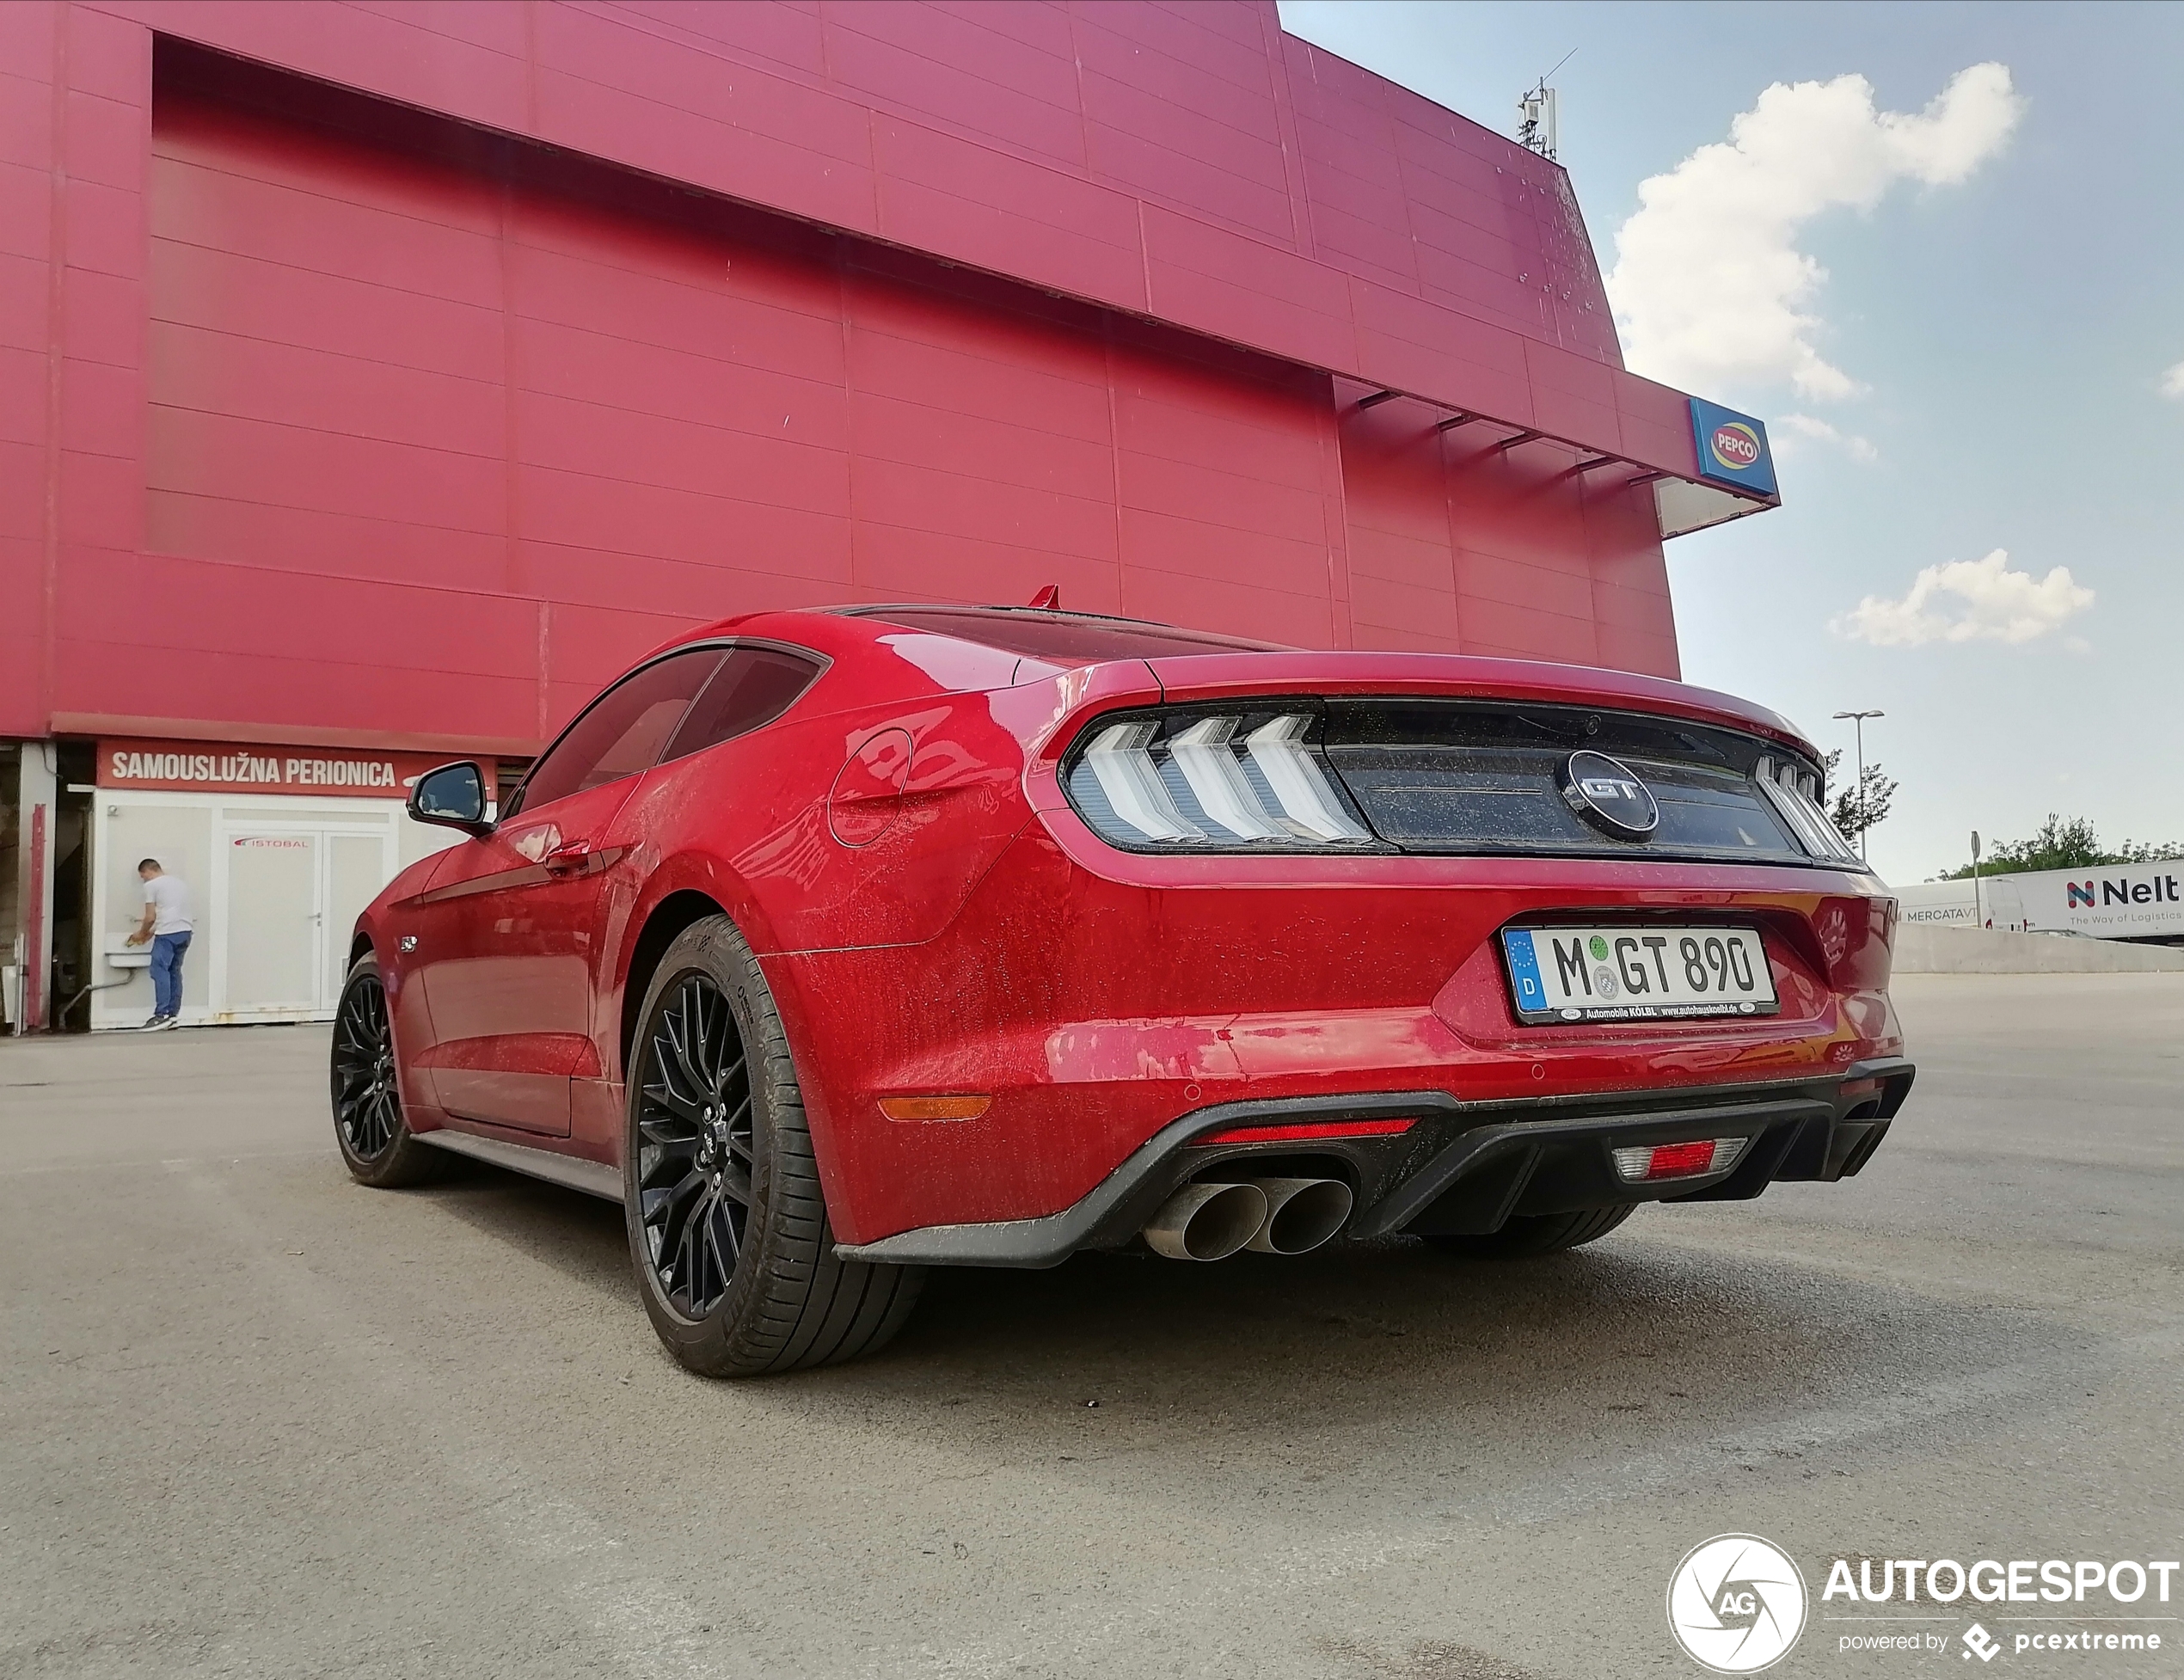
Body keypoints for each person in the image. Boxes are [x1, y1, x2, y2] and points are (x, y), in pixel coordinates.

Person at [126, 858, 194, 1030]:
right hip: (185, 931)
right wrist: (151, 932)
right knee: (174, 971)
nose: (144, 880)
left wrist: (141, 934)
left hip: (167, 934)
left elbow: (150, 916)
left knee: (159, 970)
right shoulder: (180, 884)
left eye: (143, 877)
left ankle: (160, 1014)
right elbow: (171, 911)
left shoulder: (152, 885)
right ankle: (172, 1015)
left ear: (148, 871)